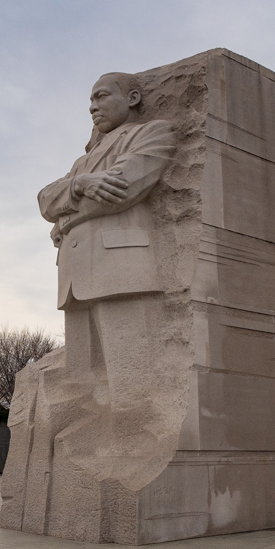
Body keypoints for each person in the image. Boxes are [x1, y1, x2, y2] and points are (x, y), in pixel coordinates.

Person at [36, 72, 178, 489]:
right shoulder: (82, 163)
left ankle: (134, 455)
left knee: (130, 377)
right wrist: (80, 184)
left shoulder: (153, 132)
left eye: (101, 96)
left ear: (132, 97)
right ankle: (92, 459)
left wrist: (66, 218)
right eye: (90, 100)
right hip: (75, 275)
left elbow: (124, 188)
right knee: (83, 380)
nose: (92, 106)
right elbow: (44, 199)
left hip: (121, 269)